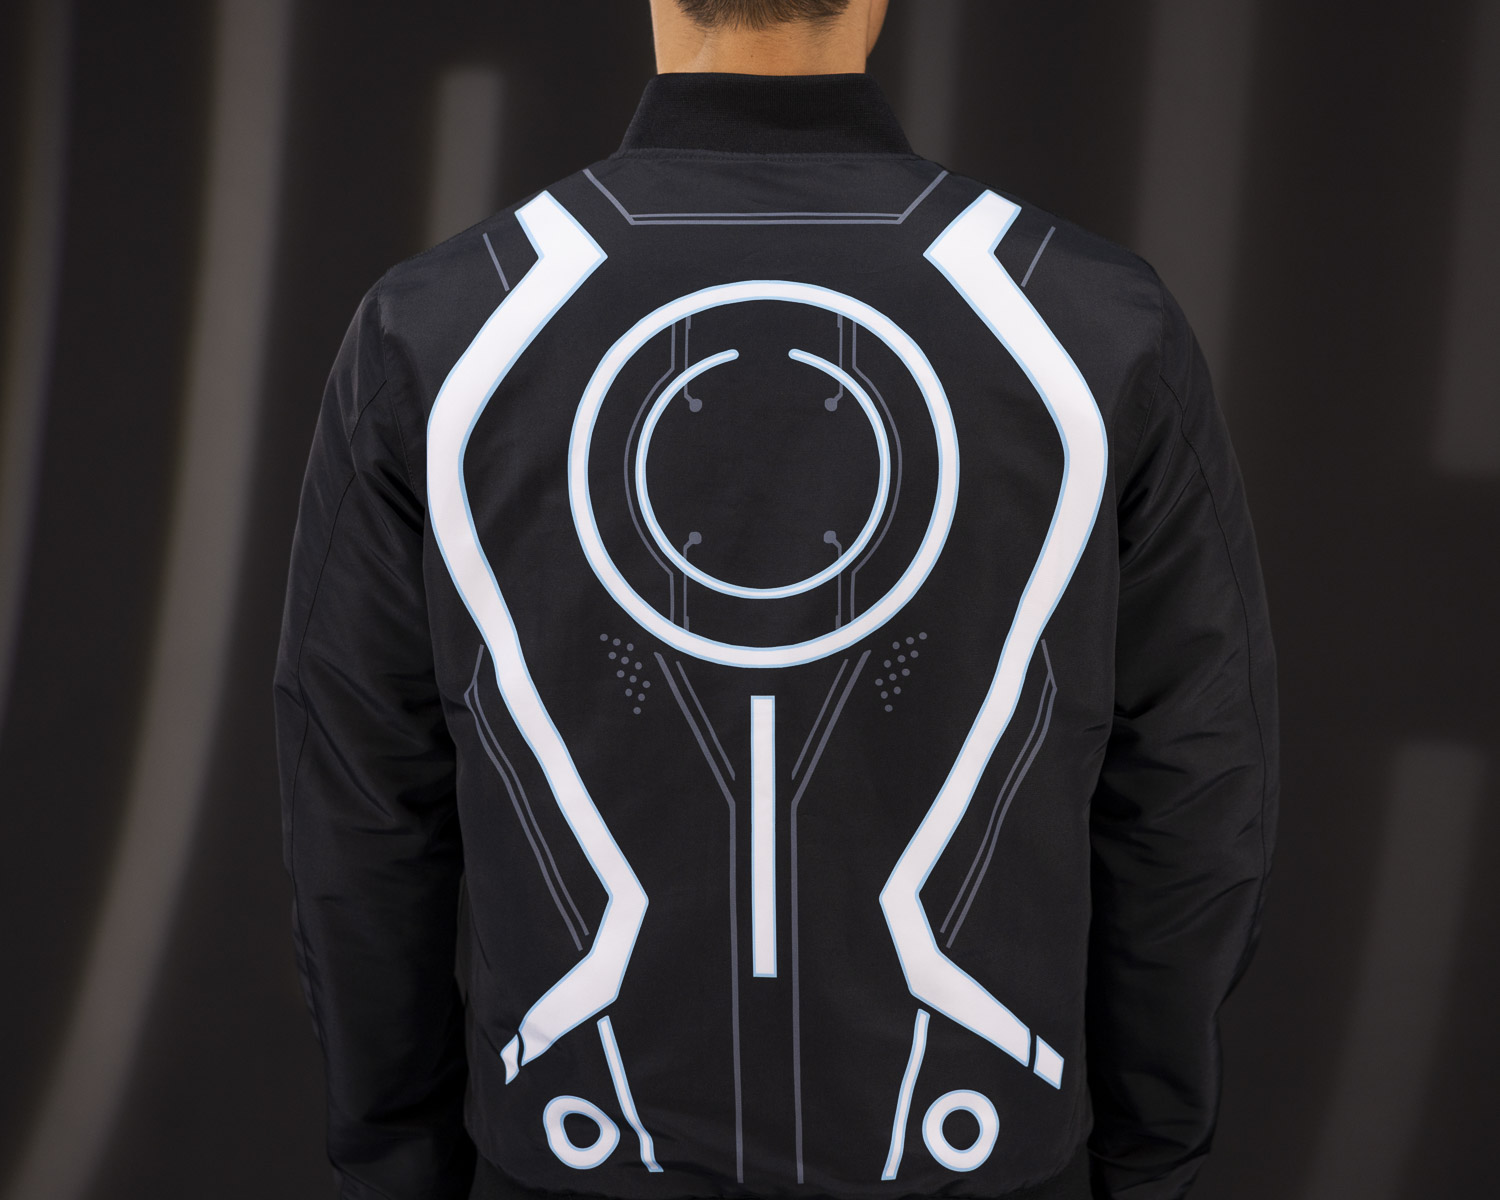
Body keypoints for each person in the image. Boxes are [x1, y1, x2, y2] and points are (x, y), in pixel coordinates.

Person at [273, 1, 1279, 1197]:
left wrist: (399, 1160)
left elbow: (361, 810)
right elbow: (1193, 791)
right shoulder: (1093, 324)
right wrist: (1148, 1157)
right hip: (979, 1157)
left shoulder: (438, 329)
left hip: (574, 1155)